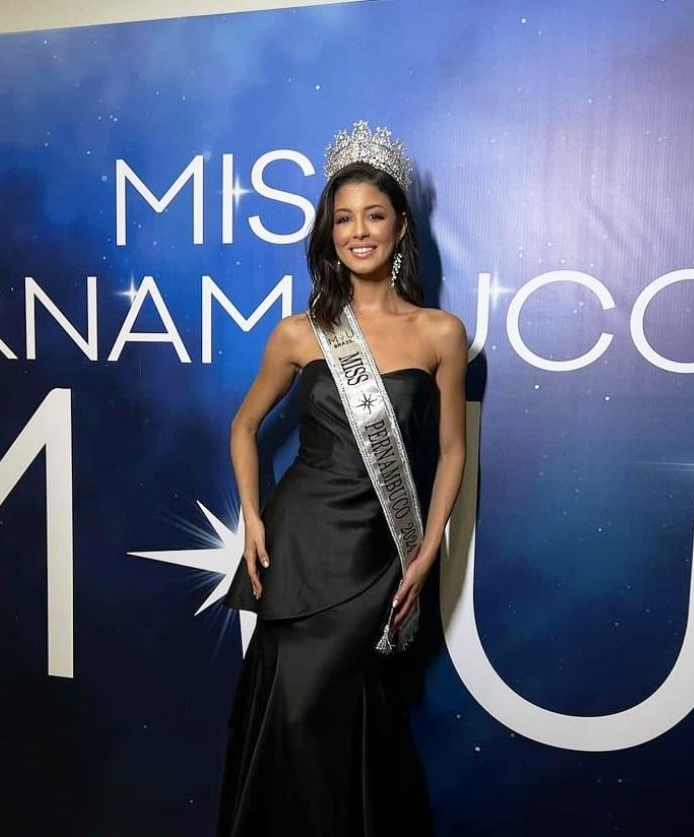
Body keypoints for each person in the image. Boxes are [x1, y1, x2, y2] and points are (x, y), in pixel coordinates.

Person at [217, 121, 467, 837]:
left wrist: (425, 553)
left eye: (374, 216)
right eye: (343, 219)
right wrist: (254, 516)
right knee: (292, 715)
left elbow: (451, 452)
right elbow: (242, 427)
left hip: (378, 552)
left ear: (399, 228)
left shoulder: (440, 333)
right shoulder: (300, 332)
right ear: (329, 234)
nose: (359, 232)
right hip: (299, 547)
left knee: (352, 714)